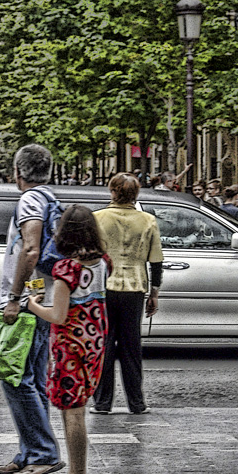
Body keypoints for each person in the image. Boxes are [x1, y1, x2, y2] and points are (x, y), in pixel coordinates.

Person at [25, 205, 109, 474]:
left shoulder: (66, 270)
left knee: (73, 414)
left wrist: (31, 305)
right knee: (73, 409)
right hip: (94, 344)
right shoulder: (101, 263)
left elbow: (58, 315)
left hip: (69, 347)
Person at [0, 143, 65, 474]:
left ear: (18, 172)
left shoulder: (31, 200)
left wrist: (15, 297)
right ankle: (28, 452)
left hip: (27, 301)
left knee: (15, 377)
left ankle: (43, 453)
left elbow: (31, 248)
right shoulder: (50, 198)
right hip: (42, 297)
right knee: (32, 379)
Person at [90, 173, 163, 415]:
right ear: (136, 194)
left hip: (104, 287)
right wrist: (154, 292)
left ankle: (102, 402)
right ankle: (136, 402)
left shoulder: (97, 218)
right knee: (132, 346)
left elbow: (90, 256)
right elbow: (156, 260)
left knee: (105, 345)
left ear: (112, 192)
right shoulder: (148, 220)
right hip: (135, 287)